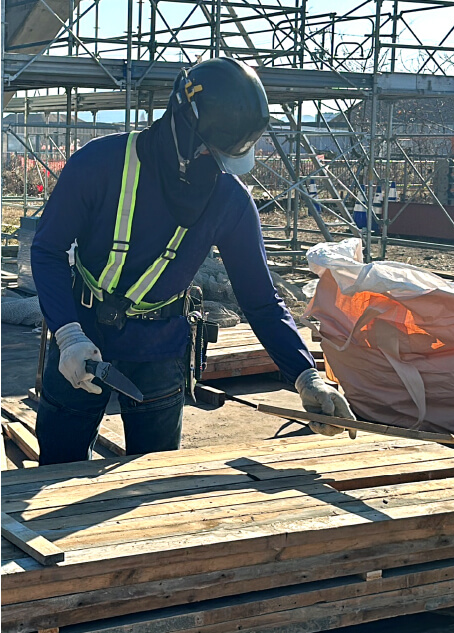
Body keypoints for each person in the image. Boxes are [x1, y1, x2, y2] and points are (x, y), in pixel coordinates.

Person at [31, 57, 355, 466]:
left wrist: (305, 376)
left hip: (160, 347)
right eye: (209, 150)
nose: (214, 164)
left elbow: (260, 300)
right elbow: (47, 250)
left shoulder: (228, 200)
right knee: (56, 469)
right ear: (182, 127)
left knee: (149, 480)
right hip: (82, 332)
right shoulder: (101, 164)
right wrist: (68, 335)